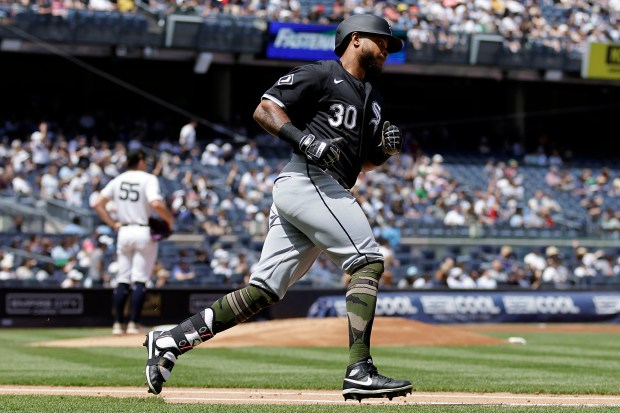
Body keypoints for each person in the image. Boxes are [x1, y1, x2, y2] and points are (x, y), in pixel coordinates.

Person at [143, 14, 412, 402]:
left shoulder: (372, 98)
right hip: (308, 180)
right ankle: (359, 370)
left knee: (262, 291)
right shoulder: (323, 74)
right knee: (367, 261)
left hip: (322, 186)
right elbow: (265, 108)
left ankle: (171, 339)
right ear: (355, 39)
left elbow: (362, 162)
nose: (386, 47)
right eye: (380, 40)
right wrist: (304, 140)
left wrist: (383, 154)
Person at [93, 148, 174, 336]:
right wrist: (169, 219)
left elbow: (97, 203)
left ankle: (117, 324)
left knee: (122, 279)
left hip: (124, 231)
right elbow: (156, 203)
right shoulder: (148, 178)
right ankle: (134, 324)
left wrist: (113, 224)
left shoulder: (118, 180)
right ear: (139, 161)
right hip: (143, 230)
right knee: (139, 279)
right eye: (144, 160)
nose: (146, 163)